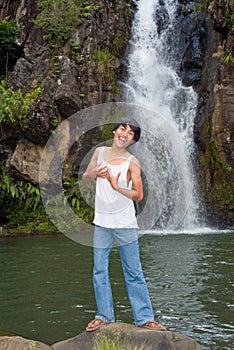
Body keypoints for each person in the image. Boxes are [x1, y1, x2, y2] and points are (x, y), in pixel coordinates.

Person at [82, 118, 166, 331]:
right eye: (123, 129)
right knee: (99, 270)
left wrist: (115, 186)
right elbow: (84, 177)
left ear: (132, 140)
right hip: (101, 223)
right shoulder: (99, 153)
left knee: (134, 272)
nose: (125, 134)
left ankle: (145, 318)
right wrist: (95, 173)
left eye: (130, 133)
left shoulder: (133, 162)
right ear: (114, 131)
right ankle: (104, 316)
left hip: (125, 223)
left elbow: (138, 195)